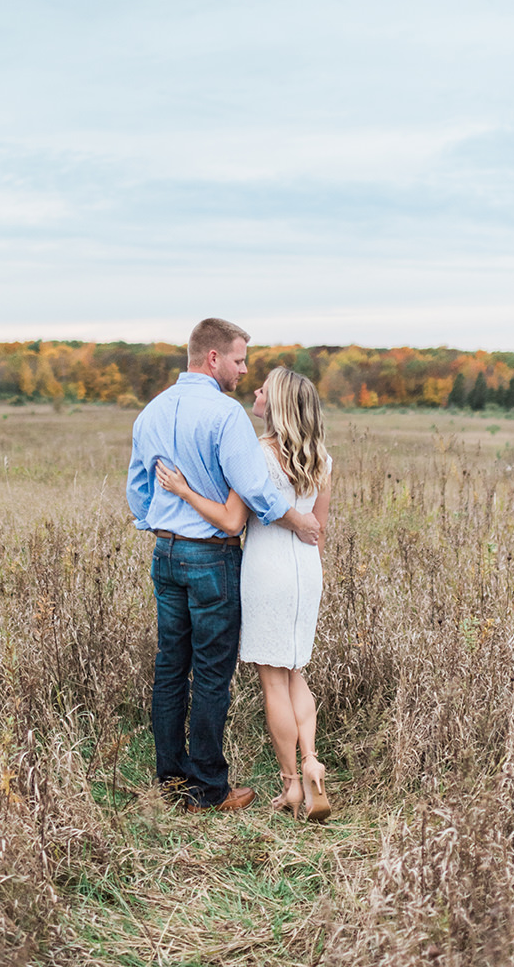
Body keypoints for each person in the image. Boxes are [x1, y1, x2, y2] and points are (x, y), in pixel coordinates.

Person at [127, 319, 321, 814]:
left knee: (171, 667)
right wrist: (296, 520)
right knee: (212, 673)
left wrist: (159, 521)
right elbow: (255, 492)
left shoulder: (150, 412)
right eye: (238, 360)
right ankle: (208, 789)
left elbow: (137, 490)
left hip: (165, 554)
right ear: (213, 358)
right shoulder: (226, 415)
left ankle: (171, 778)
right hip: (210, 555)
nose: (242, 371)